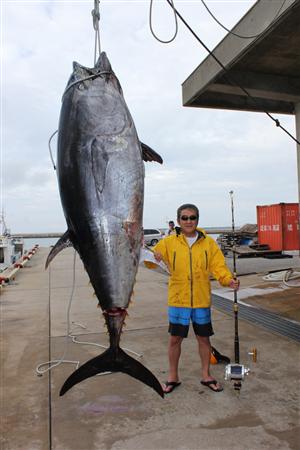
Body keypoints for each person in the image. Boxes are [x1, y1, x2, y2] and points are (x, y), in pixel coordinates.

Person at [153, 203, 239, 394]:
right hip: (178, 300)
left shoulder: (209, 243)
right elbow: (149, 262)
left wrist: (228, 281)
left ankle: (206, 375)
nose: (189, 221)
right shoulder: (168, 242)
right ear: (178, 221)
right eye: (185, 218)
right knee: (175, 339)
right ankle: (172, 377)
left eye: (192, 218)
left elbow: (219, 268)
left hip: (201, 300)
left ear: (197, 220)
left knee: (204, 339)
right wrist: (154, 258)